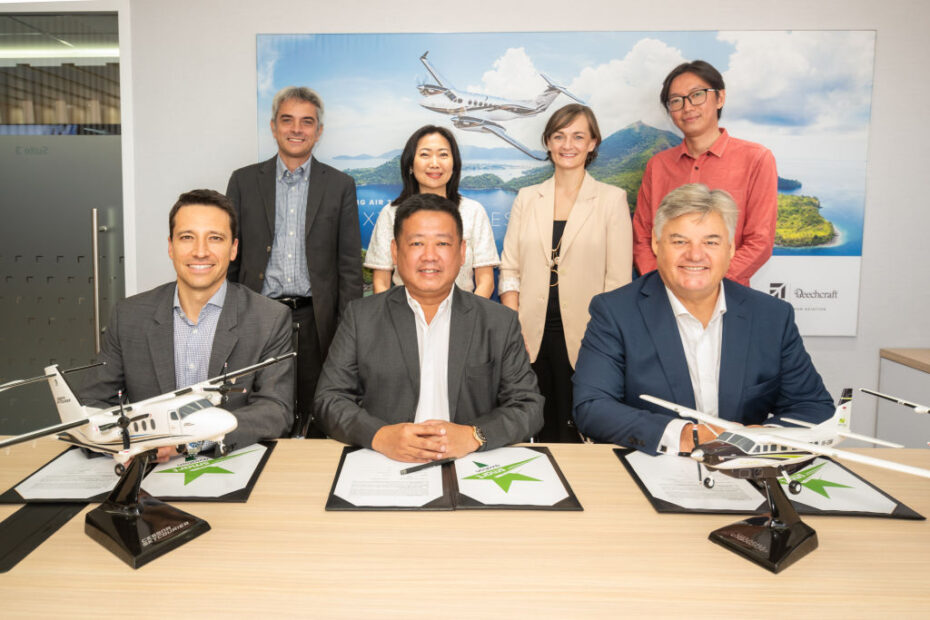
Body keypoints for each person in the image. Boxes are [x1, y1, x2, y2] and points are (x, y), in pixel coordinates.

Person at [573, 184, 833, 455]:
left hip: (744, 471)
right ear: (656, 244)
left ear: (730, 248)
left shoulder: (772, 316)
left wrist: (762, 437)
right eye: (679, 241)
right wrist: (684, 435)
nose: (695, 255)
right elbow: (592, 407)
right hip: (654, 467)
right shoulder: (615, 312)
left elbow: (813, 407)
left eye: (711, 242)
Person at [315, 193, 543, 463]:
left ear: (461, 253)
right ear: (395, 252)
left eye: (443, 243)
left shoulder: (498, 322)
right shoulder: (361, 317)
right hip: (385, 463)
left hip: (471, 463)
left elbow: (528, 407)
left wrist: (474, 436)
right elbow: (329, 399)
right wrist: (380, 435)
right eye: (417, 243)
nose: (430, 256)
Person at [78, 189, 294, 460]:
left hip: (230, 466)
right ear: (170, 246)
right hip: (147, 471)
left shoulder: (269, 318)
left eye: (215, 238)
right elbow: (91, 404)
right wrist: (133, 440)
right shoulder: (129, 316)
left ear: (233, 249)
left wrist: (189, 442)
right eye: (187, 237)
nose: (200, 251)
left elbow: (275, 410)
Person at [226, 86, 362, 438]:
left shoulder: (340, 185)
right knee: (258, 410)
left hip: (315, 319)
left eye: (307, 122)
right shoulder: (243, 182)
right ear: (273, 127)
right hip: (258, 314)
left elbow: (349, 268)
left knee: (318, 412)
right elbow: (230, 258)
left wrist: (349, 332)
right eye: (287, 120)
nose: (296, 129)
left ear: (319, 131)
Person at [499, 104, 632, 443]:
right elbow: (510, 268)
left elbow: (617, 282)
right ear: (547, 142)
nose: (567, 144)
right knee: (533, 425)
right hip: (529, 334)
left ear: (593, 143)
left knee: (578, 427)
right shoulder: (528, 198)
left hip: (588, 337)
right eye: (559, 136)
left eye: (578, 136)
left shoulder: (611, 200)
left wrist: (605, 340)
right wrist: (514, 326)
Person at [633, 60, 777, 286]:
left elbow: (759, 242)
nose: (687, 107)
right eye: (676, 101)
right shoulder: (658, 165)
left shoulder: (756, 158)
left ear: (720, 98)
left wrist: (708, 286)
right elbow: (642, 238)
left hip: (728, 297)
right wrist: (665, 285)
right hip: (663, 296)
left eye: (697, 95)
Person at [364, 125, 499, 297]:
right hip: (403, 316)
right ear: (411, 164)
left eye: (443, 155)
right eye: (425, 155)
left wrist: (466, 321)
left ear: (454, 164)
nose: (434, 163)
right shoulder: (391, 213)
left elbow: (486, 282)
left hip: (463, 316)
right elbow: (381, 282)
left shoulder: (473, 211)